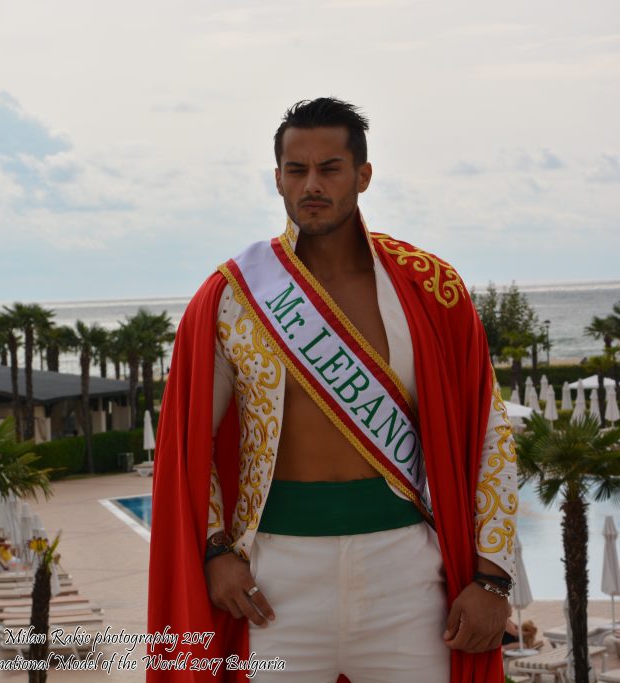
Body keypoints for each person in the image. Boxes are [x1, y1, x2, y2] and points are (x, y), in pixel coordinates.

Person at [147, 98, 518, 683]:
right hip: (275, 580)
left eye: (330, 168)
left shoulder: (431, 289)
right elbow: (189, 447)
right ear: (278, 179)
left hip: (406, 574)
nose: (311, 185)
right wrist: (216, 550)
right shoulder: (234, 297)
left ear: (363, 176)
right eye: (296, 170)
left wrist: (493, 578)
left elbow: (490, 431)